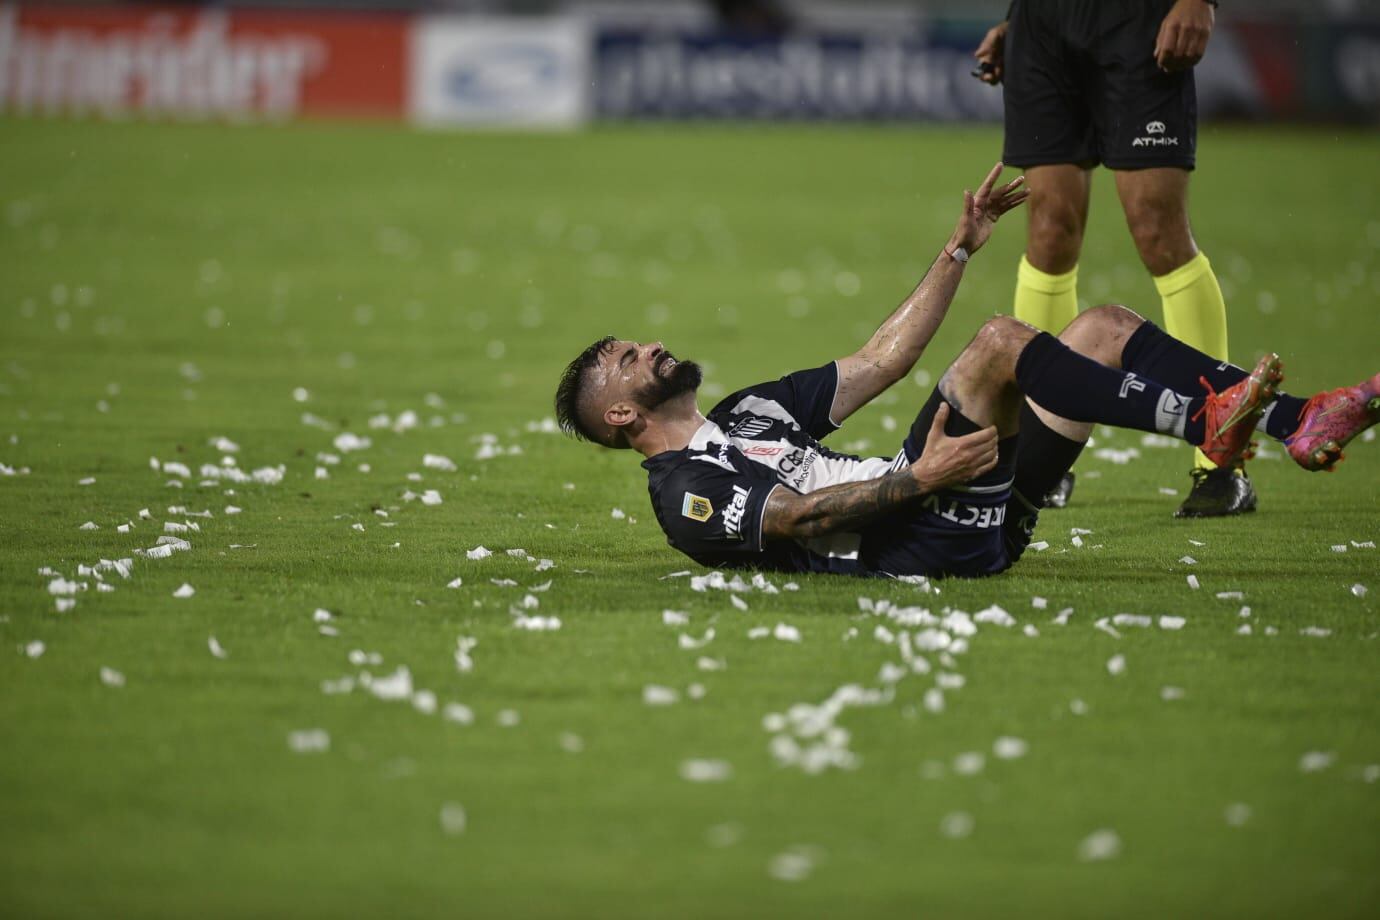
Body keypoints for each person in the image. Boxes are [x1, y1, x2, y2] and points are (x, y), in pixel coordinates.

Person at [554, 164, 1379, 579]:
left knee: (1102, 327)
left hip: (953, 506)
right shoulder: (681, 494)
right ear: (622, 417)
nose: (649, 347)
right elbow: (798, 520)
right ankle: (1219, 424)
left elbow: (885, 358)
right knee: (998, 346)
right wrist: (920, 477)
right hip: (914, 537)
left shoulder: (748, 412)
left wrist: (959, 248)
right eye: (628, 360)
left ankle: (1291, 421)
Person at [973, 0, 1245, 518]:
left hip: (1138, 22)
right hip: (1045, 29)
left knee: (1158, 229)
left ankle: (1221, 458)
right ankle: (1042, 458)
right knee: (1049, 230)